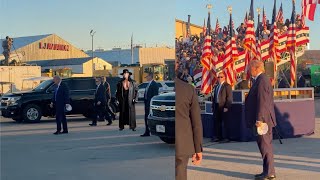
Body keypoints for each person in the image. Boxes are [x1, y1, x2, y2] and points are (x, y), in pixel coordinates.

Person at [245, 60, 277, 180]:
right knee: (263, 146)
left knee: (265, 146)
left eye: (250, 68)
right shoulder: (260, 79)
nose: (248, 70)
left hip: (262, 120)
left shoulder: (262, 80)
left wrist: (260, 119)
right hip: (261, 118)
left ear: (256, 68)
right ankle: (267, 171)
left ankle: (269, 173)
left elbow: (263, 101)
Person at [175, 68, 203, 180]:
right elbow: (196, 122)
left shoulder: (163, 89)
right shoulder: (188, 89)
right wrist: (198, 149)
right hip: (182, 143)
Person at [211, 72, 232, 143]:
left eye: (221, 77)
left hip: (223, 106)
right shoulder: (216, 86)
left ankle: (226, 137)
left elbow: (229, 98)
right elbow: (214, 97)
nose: (219, 78)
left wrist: (227, 106)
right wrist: (213, 106)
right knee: (217, 122)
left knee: (225, 123)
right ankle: (218, 137)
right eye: (218, 77)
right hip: (217, 106)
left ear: (224, 77)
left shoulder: (227, 86)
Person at [141, 72, 159, 137]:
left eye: (147, 76)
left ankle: (151, 131)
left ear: (150, 76)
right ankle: (147, 131)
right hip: (147, 104)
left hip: (150, 104)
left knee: (150, 118)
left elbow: (155, 96)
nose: (146, 78)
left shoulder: (154, 84)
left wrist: (152, 104)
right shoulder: (148, 84)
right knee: (146, 118)